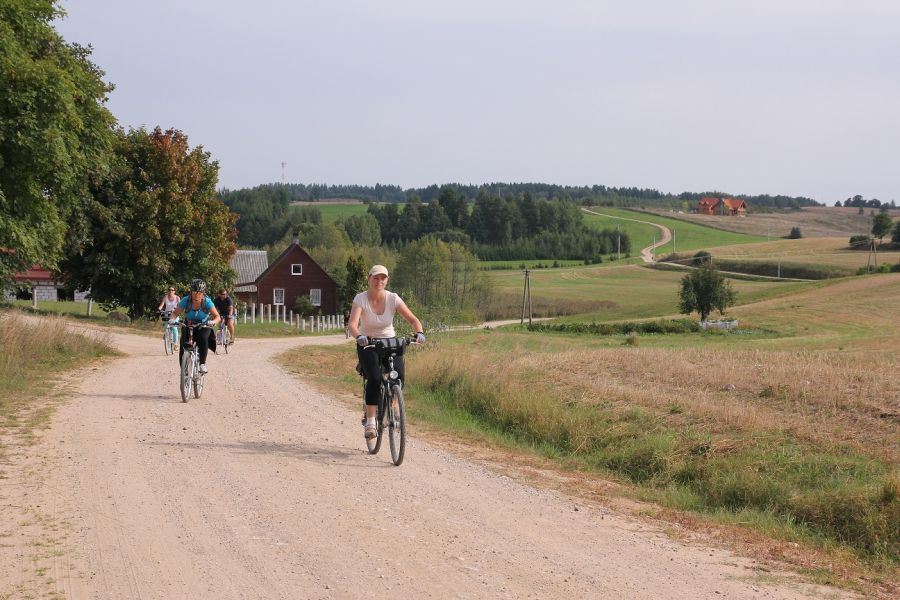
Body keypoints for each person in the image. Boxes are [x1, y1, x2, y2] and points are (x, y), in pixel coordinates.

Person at [347, 265, 425, 439]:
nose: (379, 281)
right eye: (376, 277)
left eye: (383, 278)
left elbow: (413, 319)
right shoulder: (360, 299)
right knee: (374, 378)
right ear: (369, 279)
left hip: (390, 342)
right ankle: (371, 421)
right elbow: (352, 325)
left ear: (387, 280)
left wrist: (419, 332)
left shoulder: (393, 298)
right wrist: (359, 336)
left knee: (399, 376)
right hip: (368, 343)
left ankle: (394, 403)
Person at [170, 278, 221, 374]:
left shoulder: (207, 302)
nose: (196, 295)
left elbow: (217, 316)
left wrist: (213, 322)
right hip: (189, 324)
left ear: (203, 293)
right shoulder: (186, 300)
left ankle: (202, 364)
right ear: (191, 292)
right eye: (194, 292)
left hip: (204, 325)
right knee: (183, 344)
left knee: (203, 337)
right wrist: (172, 320)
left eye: (199, 293)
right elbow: (175, 313)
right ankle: (184, 371)